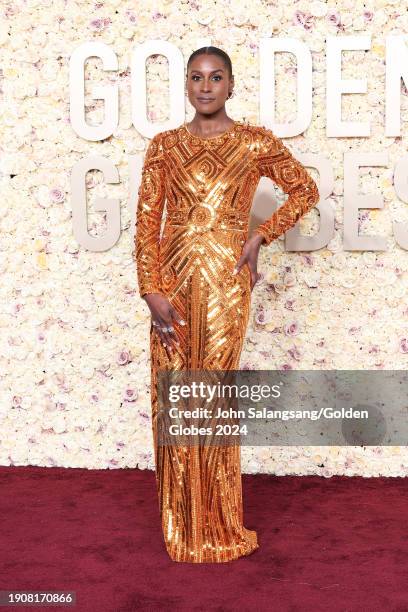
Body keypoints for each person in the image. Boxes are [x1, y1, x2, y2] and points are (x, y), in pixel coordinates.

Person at [135, 46, 320, 563]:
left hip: (226, 283)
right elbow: (148, 222)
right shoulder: (164, 146)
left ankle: (216, 525)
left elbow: (304, 190)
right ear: (186, 85)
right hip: (170, 285)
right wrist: (150, 288)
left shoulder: (255, 142)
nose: (205, 86)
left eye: (216, 77)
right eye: (196, 77)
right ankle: (183, 527)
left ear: (232, 85)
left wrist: (262, 234)